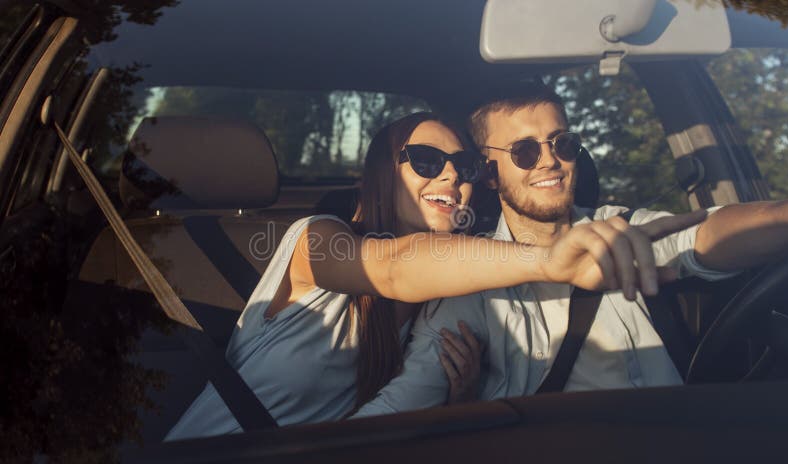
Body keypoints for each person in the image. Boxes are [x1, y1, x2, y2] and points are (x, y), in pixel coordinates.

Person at [165, 112, 703, 439]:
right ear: (380, 174)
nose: (450, 174)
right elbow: (394, 268)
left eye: (465, 167)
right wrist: (548, 258)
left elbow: (393, 423)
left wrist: (462, 401)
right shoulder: (317, 241)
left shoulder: (446, 306)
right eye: (424, 159)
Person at [352, 86, 788, 417]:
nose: (549, 160)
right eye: (524, 151)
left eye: (562, 143)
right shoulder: (470, 276)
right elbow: (409, 397)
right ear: (489, 174)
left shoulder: (624, 228)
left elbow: (712, 233)